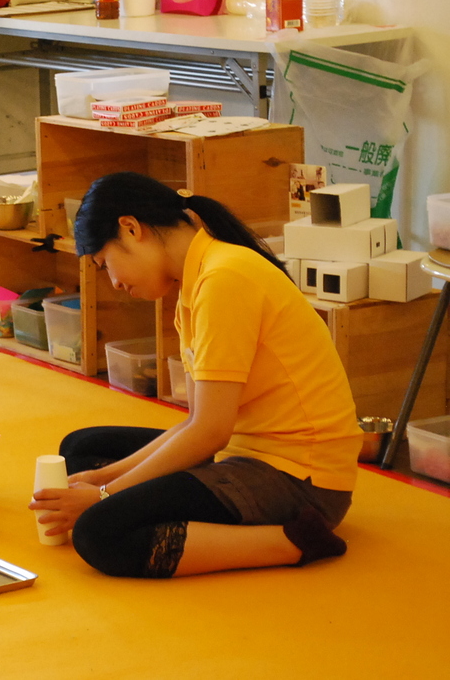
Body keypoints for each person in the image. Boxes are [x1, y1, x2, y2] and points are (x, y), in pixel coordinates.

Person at [30, 172, 362, 578]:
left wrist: (103, 495)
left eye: (105, 263)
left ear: (131, 228)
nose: (114, 282)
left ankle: (295, 540)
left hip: (301, 482)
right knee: (80, 449)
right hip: (241, 453)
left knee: (98, 533)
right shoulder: (197, 281)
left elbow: (209, 432)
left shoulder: (224, 278)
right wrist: (100, 478)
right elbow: (195, 425)